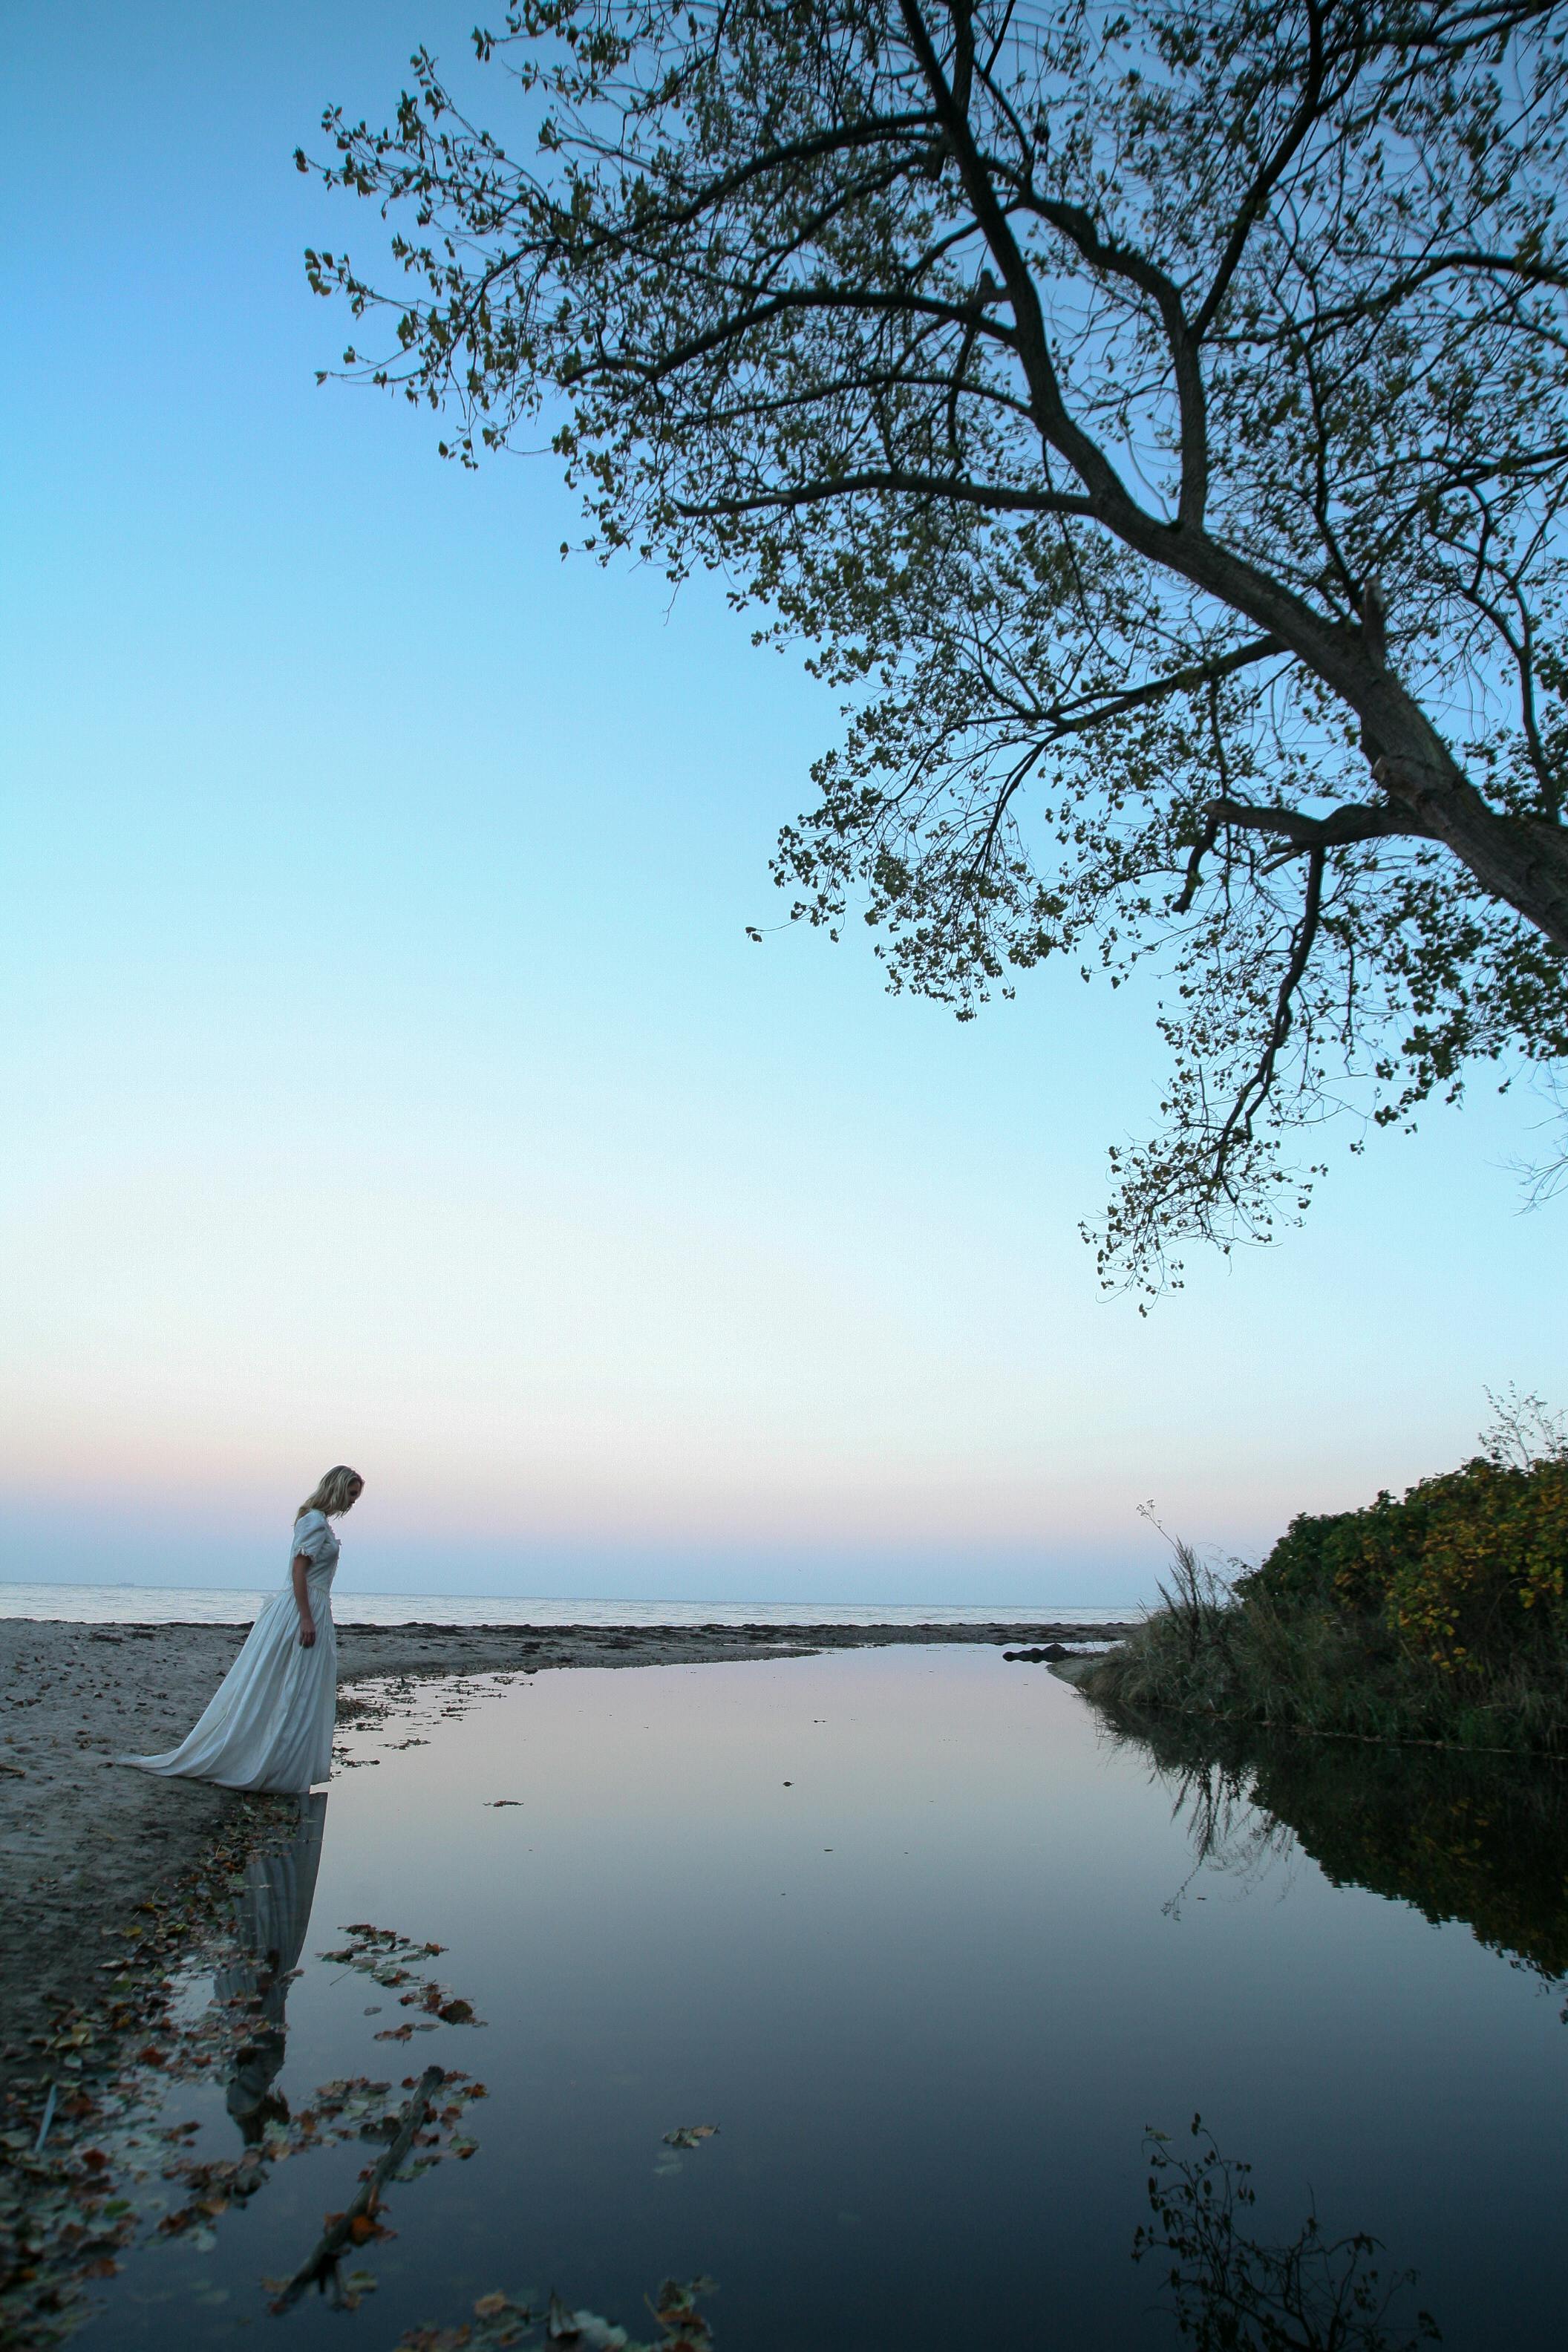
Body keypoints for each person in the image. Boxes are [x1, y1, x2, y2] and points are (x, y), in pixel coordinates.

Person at [120, 1466, 364, 1794]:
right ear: (337, 1488)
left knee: (300, 1686)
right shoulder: (315, 1523)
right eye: (351, 1494)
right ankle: (267, 1763)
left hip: (315, 1607)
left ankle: (283, 1763)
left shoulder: (319, 1523)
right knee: (293, 1684)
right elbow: (298, 1572)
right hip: (303, 1609)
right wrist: (306, 1618)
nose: (352, 1502)